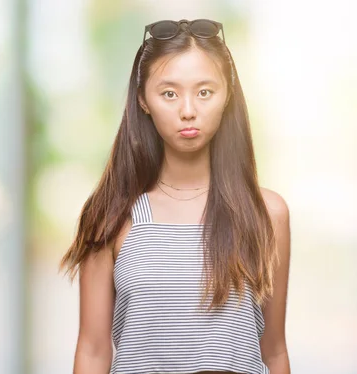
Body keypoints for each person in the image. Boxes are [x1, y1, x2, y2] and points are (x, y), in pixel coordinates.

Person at [59, 19, 291, 374]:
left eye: (204, 92)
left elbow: (274, 351)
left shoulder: (266, 213)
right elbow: (92, 350)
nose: (187, 110)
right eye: (169, 93)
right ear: (143, 100)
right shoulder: (111, 215)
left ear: (227, 95)